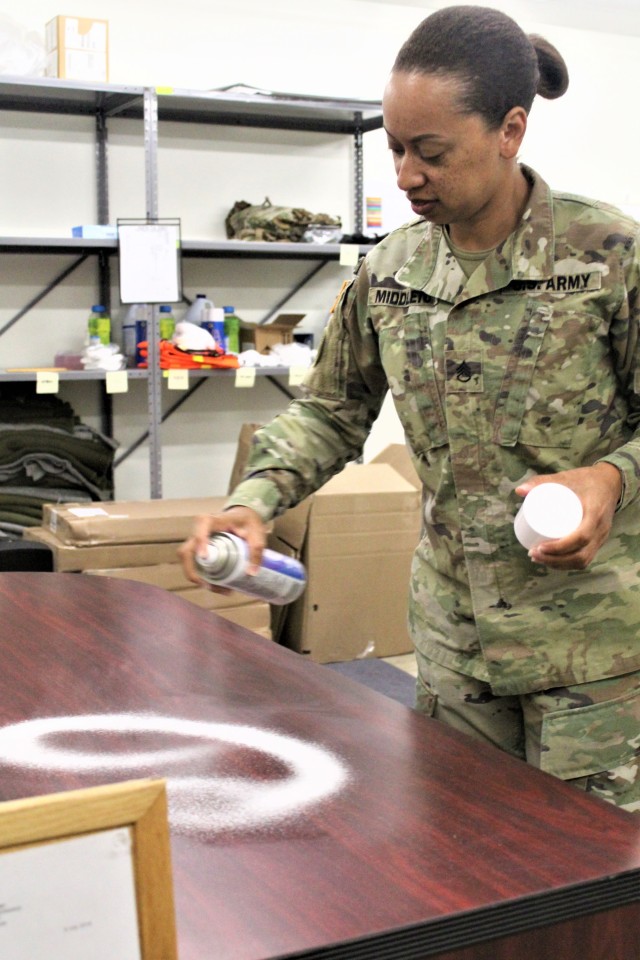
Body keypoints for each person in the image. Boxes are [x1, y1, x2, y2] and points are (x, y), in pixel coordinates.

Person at [180, 5, 640, 811]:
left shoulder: (605, 255)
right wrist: (252, 502)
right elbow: (330, 411)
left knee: (597, 905)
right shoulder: (389, 272)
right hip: (456, 649)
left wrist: (610, 475)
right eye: (395, 148)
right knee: (469, 877)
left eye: (430, 152)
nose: (404, 175)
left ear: (510, 131)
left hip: (596, 655)